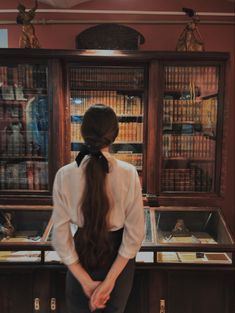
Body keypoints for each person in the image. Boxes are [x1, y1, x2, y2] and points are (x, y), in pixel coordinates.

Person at [52, 104, 145, 313]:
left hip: (80, 257)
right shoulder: (129, 173)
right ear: (115, 135)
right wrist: (110, 281)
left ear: (82, 133)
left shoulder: (64, 175)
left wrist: (84, 281)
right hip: (118, 261)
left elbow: (60, 236)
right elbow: (135, 235)